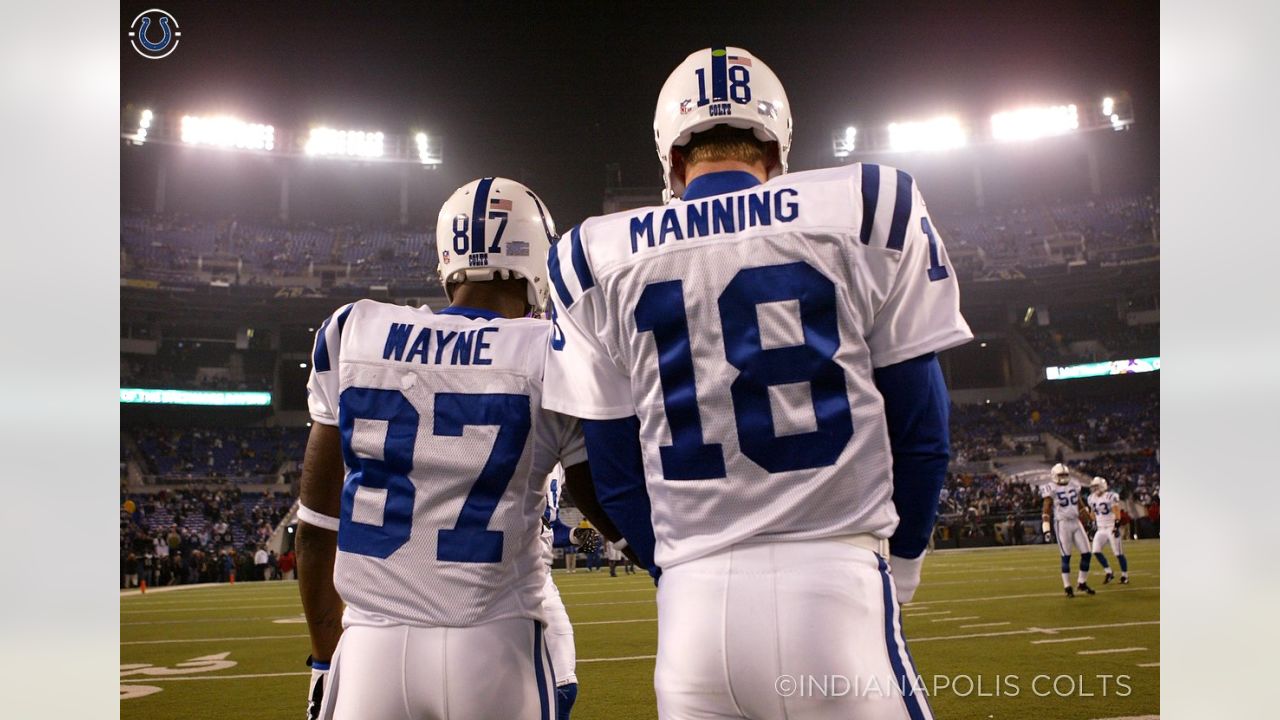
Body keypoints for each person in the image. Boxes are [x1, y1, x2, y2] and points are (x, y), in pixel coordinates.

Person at [543, 46, 971, 719]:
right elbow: (921, 433)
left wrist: (680, 571)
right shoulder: (867, 205)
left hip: (694, 623)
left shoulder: (590, 255)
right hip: (835, 586)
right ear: (776, 154)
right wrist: (906, 563)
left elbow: (615, 474)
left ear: (675, 162)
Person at [295, 178, 626, 720]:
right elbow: (609, 499)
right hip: (494, 644)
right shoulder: (552, 353)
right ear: (538, 262)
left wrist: (324, 661)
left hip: (371, 650)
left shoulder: (351, 331)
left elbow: (314, 530)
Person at [1041, 463, 1097, 597]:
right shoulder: (1051, 488)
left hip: (1076, 522)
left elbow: (1080, 505)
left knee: (1087, 553)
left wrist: (1089, 520)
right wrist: (1046, 529)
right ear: (1054, 476)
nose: (1064, 478)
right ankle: (1067, 587)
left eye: (1065, 475)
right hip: (1062, 524)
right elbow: (1046, 509)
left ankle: (1082, 583)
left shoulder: (1074, 485)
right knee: (1066, 556)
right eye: (1061, 475)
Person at [1087, 476, 1129, 583]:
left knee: (1118, 553)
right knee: (1095, 551)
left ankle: (1125, 576)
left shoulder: (1110, 496)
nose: (1094, 489)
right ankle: (1109, 572)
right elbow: (1092, 514)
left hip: (1111, 527)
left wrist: (1116, 525)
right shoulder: (1091, 498)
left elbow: (1116, 511)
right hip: (1100, 528)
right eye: (1093, 487)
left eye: (1096, 486)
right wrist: (1091, 523)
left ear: (1102, 486)